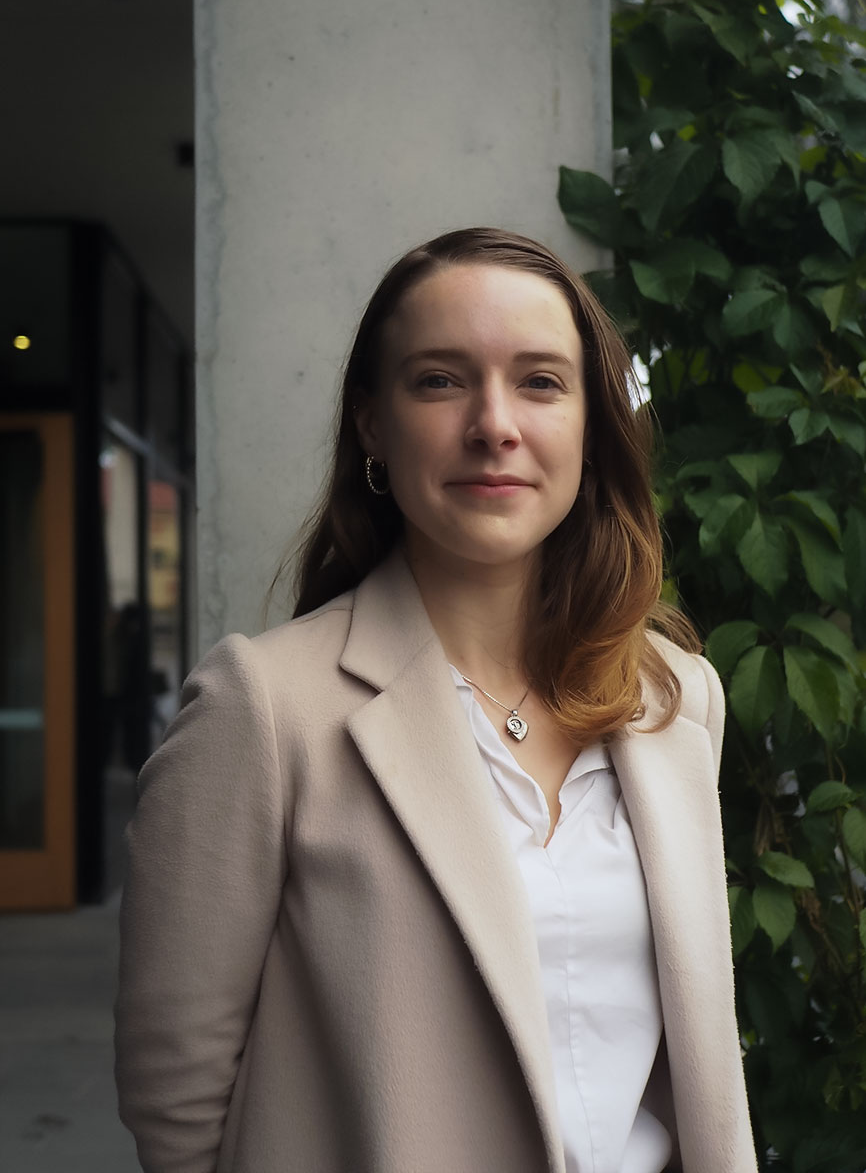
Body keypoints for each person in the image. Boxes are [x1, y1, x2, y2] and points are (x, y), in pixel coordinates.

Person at [114, 227, 757, 1173]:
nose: (494, 422)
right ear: (372, 423)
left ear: (591, 422)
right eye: (440, 380)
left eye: (541, 382)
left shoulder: (675, 701)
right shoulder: (264, 709)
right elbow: (175, 1096)